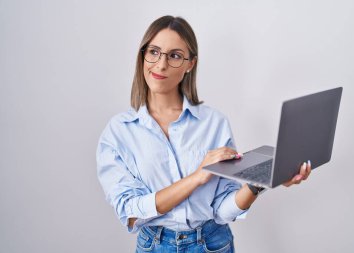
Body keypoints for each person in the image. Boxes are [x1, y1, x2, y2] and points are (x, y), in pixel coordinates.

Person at [96, 15, 311, 253]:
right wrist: (197, 176)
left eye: (175, 55)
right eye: (154, 52)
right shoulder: (118, 132)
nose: (161, 64)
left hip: (212, 244)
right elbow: (131, 212)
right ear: (142, 55)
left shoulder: (214, 122)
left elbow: (222, 210)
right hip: (155, 246)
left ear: (190, 64)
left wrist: (258, 183)